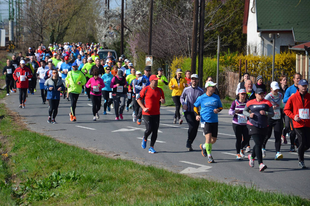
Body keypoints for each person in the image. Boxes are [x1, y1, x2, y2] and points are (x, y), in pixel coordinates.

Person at [243, 88, 274, 172]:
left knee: (259, 144)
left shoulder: (267, 103)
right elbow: (244, 111)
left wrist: (266, 113)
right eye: (259, 94)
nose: (261, 95)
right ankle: (261, 164)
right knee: (258, 143)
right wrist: (249, 115)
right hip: (252, 125)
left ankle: (252, 157)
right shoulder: (250, 102)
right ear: (256, 94)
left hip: (264, 125)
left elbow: (272, 113)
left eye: (262, 94)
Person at [284, 79, 310, 169]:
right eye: (302, 86)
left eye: (305, 86)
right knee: (302, 142)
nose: (304, 88)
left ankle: (297, 145)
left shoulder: (309, 96)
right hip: (298, 123)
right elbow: (286, 109)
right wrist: (293, 116)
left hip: (308, 123)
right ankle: (301, 161)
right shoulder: (293, 97)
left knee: (308, 144)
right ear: (298, 86)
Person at [194, 81, 222, 163]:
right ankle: (210, 156)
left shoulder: (216, 97)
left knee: (213, 140)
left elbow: (220, 107)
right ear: (208, 88)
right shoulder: (201, 98)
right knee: (208, 138)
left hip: (214, 120)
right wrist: (197, 115)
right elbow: (195, 106)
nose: (214, 88)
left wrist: (217, 110)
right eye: (212, 86)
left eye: (214, 86)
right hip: (205, 120)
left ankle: (203, 146)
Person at [138, 75, 165, 154]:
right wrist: (143, 108)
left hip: (156, 113)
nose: (156, 82)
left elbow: (162, 100)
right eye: (155, 80)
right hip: (147, 113)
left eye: (157, 81)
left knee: (155, 131)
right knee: (149, 129)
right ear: (151, 81)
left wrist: (163, 101)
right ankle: (145, 137)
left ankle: (151, 147)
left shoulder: (160, 90)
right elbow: (138, 99)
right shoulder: (145, 89)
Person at [180, 74, 204, 151]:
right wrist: (183, 104)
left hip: (197, 112)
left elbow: (203, 100)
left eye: (195, 79)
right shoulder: (186, 89)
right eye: (192, 79)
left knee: (195, 128)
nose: (194, 80)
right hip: (188, 111)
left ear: (198, 80)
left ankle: (190, 141)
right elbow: (181, 97)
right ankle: (188, 141)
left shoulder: (200, 91)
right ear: (190, 80)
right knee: (191, 126)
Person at [263, 81, 284, 160]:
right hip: (269, 118)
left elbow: (281, 105)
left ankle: (278, 152)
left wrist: (283, 108)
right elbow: (264, 106)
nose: (276, 91)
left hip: (278, 117)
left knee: (277, 135)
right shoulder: (268, 96)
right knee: (267, 135)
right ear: (271, 89)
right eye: (274, 89)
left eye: (277, 89)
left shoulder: (280, 95)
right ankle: (263, 148)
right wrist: (271, 108)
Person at [229, 88, 249, 160]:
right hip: (236, 123)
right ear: (239, 95)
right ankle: (238, 153)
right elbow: (230, 112)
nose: (243, 96)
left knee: (247, 139)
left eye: (244, 94)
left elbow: (251, 109)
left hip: (246, 123)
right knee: (239, 138)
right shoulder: (235, 102)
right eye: (241, 94)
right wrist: (234, 112)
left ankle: (241, 148)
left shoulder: (248, 102)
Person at [283, 73, 301, 152]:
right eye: (297, 78)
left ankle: (297, 142)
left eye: (299, 78)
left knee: (302, 130)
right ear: (293, 79)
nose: (298, 80)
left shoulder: (303, 89)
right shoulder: (290, 89)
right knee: (292, 130)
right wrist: (291, 96)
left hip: (300, 112)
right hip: (291, 112)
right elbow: (284, 100)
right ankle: (292, 145)